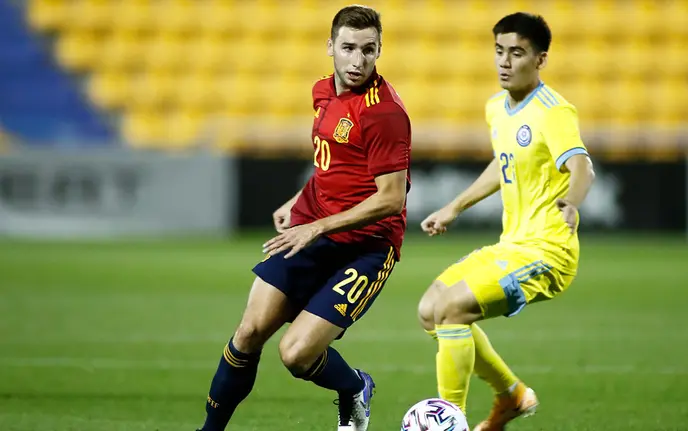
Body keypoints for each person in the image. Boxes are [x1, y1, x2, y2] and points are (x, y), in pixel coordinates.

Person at [197, 5, 411, 431]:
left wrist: (316, 226)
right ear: (329, 46)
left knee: (296, 355)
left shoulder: (385, 114)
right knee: (248, 333)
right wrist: (299, 200)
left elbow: (392, 198)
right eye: (348, 48)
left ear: (380, 50)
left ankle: (354, 387)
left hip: (367, 246)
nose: (357, 60)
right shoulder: (322, 91)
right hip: (312, 227)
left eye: (368, 50)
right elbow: (334, 165)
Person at [417, 12, 595, 431]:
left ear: (540, 59)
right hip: (511, 245)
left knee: (455, 309)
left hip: (547, 251)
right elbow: (504, 164)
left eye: (517, 53)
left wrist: (571, 203)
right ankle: (512, 395)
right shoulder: (497, 108)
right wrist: (455, 207)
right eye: (499, 51)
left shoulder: (555, 111)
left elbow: (583, 166)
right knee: (430, 311)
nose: (505, 61)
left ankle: (449, 421)